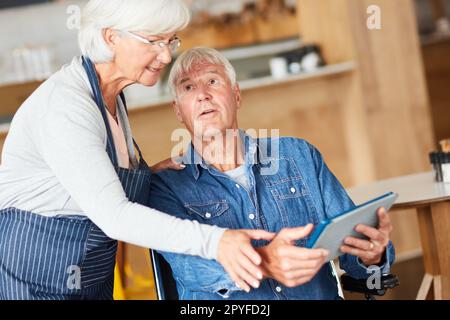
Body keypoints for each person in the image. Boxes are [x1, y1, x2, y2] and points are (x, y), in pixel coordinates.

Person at [0, 1, 273, 300]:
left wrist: (145, 174)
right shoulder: (65, 106)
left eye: (170, 41)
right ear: (110, 37)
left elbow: (83, 182)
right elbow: (114, 216)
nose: (166, 55)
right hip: (36, 282)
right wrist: (218, 241)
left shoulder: (110, 97)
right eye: (154, 41)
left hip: (88, 279)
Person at [148, 47, 396, 300]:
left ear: (236, 95)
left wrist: (372, 255)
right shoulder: (165, 187)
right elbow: (192, 269)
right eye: (188, 88)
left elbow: (356, 254)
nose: (203, 95)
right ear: (178, 110)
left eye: (213, 81)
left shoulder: (299, 156)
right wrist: (264, 262)